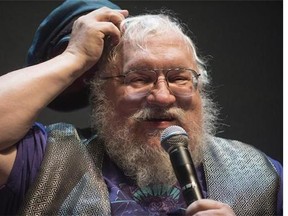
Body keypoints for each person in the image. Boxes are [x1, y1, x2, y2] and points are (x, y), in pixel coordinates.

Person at [0, 0, 282, 215]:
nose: (162, 97)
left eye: (179, 78)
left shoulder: (262, 174)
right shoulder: (45, 159)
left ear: (200, 88)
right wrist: (74, 58)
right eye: (139, 79)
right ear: (100, 93)